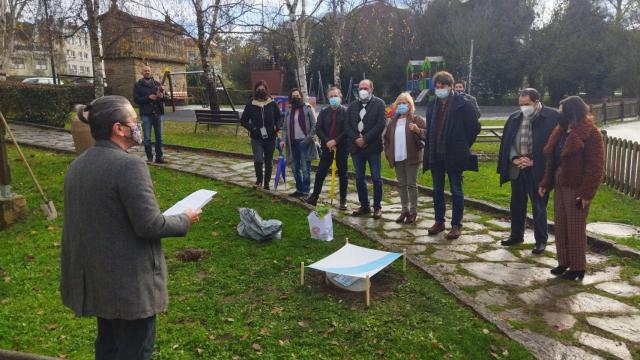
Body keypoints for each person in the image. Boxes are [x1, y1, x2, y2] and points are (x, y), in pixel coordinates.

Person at [60, 95, 201, 359]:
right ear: (119, 128)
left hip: (98, 280)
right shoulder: (129, 165)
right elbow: (149, 225)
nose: (138, 126)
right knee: (135, 350)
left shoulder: (78, 164)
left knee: (108, 346)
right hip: (128, 286)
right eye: (133, 121)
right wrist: (185, 218)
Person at [538, 96, 604, 281]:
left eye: (561, 110)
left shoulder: (591, 133)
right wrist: (546, 183)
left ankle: (577, 267)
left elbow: (595, 166)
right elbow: (553, 160)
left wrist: (586, 193)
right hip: (560, 183)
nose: (558, 113)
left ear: (572, 112)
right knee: (561, 225)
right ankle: (563, 262)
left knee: (575, 226)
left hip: (577, 186)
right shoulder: (560, 131)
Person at [497, 88, 560, 254]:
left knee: (539, 206)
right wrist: (514, 158)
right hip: (518, 167)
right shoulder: (514, 118)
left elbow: (554, 147)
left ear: (537, 101)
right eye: (521, 104)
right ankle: (516, 235)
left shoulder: (552, 117)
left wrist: (534, 161)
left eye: (527, 104)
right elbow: (508, 143)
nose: (523, 107)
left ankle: (541, 240)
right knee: (516, 204)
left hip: (538, 169)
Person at [423, 71, 481, 240]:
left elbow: (474, 127)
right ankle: (439, 221)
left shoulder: (462, 103)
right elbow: (431, 127)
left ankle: (456, 225)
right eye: (437, 87)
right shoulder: (433, 104)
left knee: (456, 190)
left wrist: (462, 145)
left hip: (454, 154)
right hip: (435, 153)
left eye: (443, 86)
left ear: (450, 86)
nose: (439, 89)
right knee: (437, 190)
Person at [383, 92, 427, 224]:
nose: (402, 105)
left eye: (405, 103)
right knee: (401, 185)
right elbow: (387, 139)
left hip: (412, 157)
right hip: (397, 158)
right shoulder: (392, 122)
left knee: (411, 185)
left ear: (410, 105)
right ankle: (404, 210)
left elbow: (427, 134)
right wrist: (388, 152)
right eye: (400, 103)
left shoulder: (416, 119)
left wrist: (417, 130)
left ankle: (413, 212)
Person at [346, 79, 387, 219]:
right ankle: (364, 205)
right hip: (357, 148)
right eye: (360, 88)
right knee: (359, 178)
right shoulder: (352, 106)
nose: (362, 90)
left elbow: (381, 124)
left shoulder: (379, 104)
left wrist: (365, 139)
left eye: (365, 88)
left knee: (376, 178)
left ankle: (377, 207)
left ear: (371, 89)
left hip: (373, 148)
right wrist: (356, 139)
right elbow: (347, 126)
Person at [306, 87, 349, 209]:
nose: (333, 98)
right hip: (327, 148)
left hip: (342, 148)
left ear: (340, 97)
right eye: (331, 96)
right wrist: (327, 141)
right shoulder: (324, 112)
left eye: (336, 96)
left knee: (343, 174)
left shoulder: (346, 112)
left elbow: (347, 129)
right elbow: (318, 128)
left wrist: (336, 141)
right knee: (320, 173)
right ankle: (314, 197)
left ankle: (343, 200)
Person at [240, 80, 282, 190]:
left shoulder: (272, 104)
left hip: (270, 137)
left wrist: (277, 127)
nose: (261, 91)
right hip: (256, 138)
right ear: (255, 91)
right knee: (258, 160)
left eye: (263, 89)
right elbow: (243, 120)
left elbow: (279, 117)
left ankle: (267, 183)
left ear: (266, 90)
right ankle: (259, 180)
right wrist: (252, 129)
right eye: (258, 89)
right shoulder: (251, 104)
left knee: (268, 161)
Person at [280, 88, 318, 198]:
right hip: (292, 144)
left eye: (297, 95)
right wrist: (283, 140)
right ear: (290, 98)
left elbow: (315, 126)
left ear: (301, 96)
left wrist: (307, 140)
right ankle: (299, 189)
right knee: (295, 168)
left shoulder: (308, 108)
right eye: (293, 96)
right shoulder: (289, 110)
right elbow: (285, 127)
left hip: (304, 143)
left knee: (305, 168)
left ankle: (306, 191)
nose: (295, 98)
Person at [133, 65, 166, 164]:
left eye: (148, 70)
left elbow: (165, 97)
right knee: (147, 138)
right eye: (145, 71)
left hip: (157, 113)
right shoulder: (138, 85)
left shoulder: (157, 84)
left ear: (150, 72)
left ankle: (159, 157)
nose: (147, 72)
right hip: (146, 114)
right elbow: (136, 100)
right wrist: (148, 97)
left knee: (159, 137)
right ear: (142, 72)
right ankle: (150, 158)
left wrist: (162, 95)